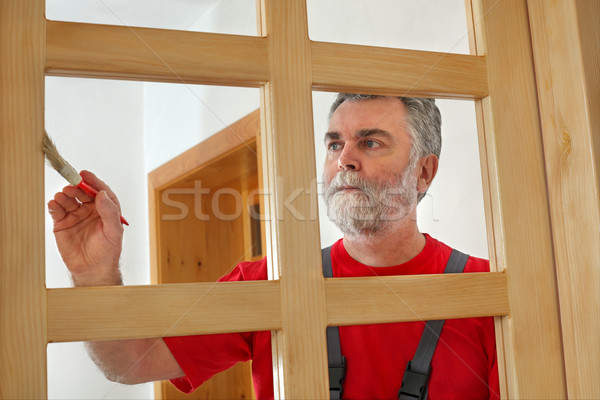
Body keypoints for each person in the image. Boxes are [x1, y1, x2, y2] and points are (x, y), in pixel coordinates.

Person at [48, 94, 499, 399]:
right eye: (334, 143)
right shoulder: (268, 282)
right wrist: (94, 274)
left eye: (371, 141)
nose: (344, 159)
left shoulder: (489, 293)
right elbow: (128, 363)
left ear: (423, 172)